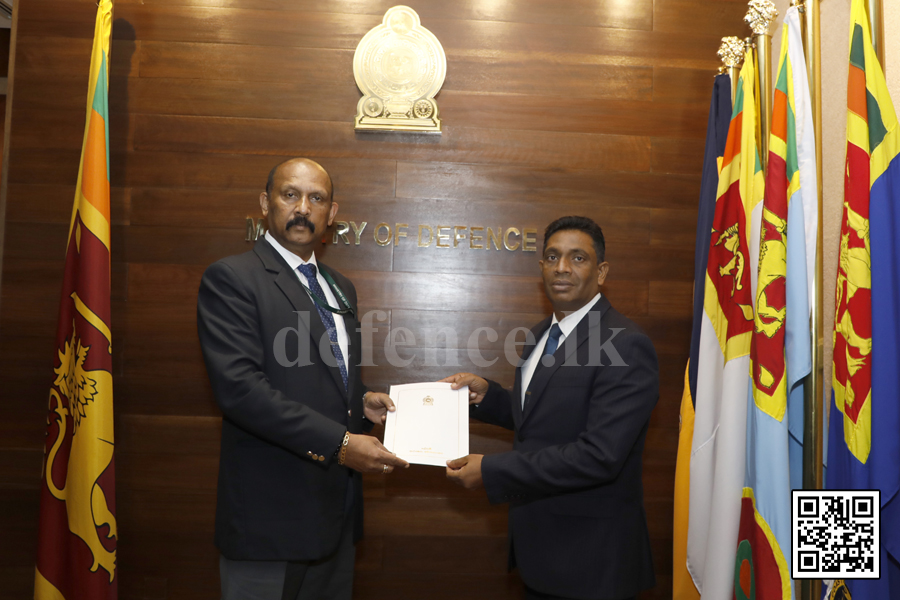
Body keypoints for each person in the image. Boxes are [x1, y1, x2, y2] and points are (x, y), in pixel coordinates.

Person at [197, 157, 408, 600]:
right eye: (290, 194)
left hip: (335, 518)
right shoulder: (233, 278)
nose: (302, 208)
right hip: (269, 520)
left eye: (316, 199)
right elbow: (240, 390)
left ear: (332, 214)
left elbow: (330, 377)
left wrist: (361, 401)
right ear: (265, 203)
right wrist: (343, 444)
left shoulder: (339, 287)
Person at [443, 216, 659, 600]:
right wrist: (487, 396)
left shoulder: (626, 344)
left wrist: (491, 470)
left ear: (602, 271)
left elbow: (599, 456)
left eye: (578, 258)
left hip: (592, 560)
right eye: (552, 256)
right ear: (541, 265)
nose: (562, 267)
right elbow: (540, 418)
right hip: (541, 552)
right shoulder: (542, 334)